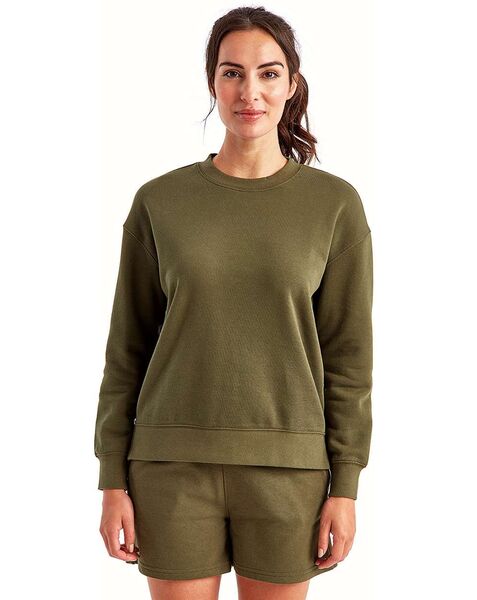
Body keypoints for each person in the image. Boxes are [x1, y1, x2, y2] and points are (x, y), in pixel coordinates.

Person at [94, 6, 373, 600]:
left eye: (268, 73)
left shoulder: (335, 205)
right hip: (170, 467)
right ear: (212, 82)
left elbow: (349, 359)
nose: (250, 92)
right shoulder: (160, 201)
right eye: (232, 73)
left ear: (291, 85)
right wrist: (111, 477)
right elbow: (127, 351)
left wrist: (346, 485)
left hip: (289, 472)